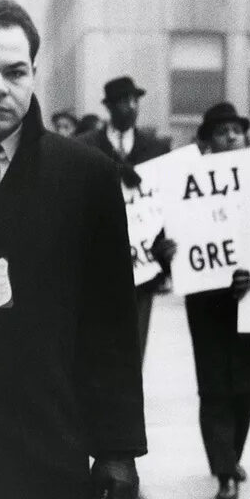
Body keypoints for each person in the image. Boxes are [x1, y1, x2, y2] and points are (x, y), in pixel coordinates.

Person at [0, 0, 145, 499]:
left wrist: (118, 449)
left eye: (14, 72)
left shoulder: (87, 177)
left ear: (33, 74)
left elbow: (112, 326)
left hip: (44, 454)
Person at [178, 102, 250, 499]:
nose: (232, 136)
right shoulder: (184, 186)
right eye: (222, 131)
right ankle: (223, 471)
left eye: (237, 129)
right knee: (216, 386)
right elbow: (171, 240)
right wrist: (168, 250)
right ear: (207, 143)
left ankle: (231, 454)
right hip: (209, 302)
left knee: (249, 385)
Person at [78, 76, 172, 362]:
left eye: (134, 101)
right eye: (123, 102)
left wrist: (166, 261)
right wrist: (116, 169)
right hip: (98, 265)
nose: (130, 107)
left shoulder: (154, 148)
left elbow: (166, 202)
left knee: (134, 347)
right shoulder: (85, 146)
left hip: (142, 266)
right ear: (108, 107)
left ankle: (127, 404)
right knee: (98, 348)